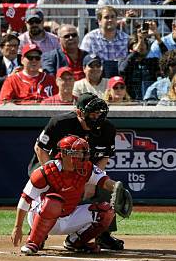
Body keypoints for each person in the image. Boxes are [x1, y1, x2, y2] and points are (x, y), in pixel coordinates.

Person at [30, 93, 125, 251]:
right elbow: (40, 149)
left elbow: (104, 157)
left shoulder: (107, 128)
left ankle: (103, 235)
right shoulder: (60, 123)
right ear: (79, 112)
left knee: (105, 187)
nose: (97, 117)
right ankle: (38, 234)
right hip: (51, 166)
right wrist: (53, 176)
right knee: (47, 191)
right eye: (93, 114)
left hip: (83, 170)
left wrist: (93, 181)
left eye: (99, 113)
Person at [12, 135, 123, 255]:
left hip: (69, 216)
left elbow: (105, 182)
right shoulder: (46, 172)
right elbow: (25, 199)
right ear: (64, 154)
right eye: (78, 154)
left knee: (106, 211)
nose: (82, 158)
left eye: (83, 154)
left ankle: (76, 242)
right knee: (53, 202)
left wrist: (117, 187)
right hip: (40, 215)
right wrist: (17, 227)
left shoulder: (87, 168)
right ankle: (33, 242)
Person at [118, 24, 161, 100]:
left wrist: (158, 38)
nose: (141, 45)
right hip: (131, 101)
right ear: (130, 48)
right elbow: (122, 69)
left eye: (144, 42)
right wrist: (139, 43)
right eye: (137, 42)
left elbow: (170, 59)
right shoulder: (124, 61)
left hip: (150, 101)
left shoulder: (152, 62)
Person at [0, 32, 22, 100]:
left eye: (15, 46)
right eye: (9, 46)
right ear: (1, 48)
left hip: (22, 99)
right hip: (0, 100)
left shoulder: (24, 61)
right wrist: (10, 77)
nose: (13, 49)